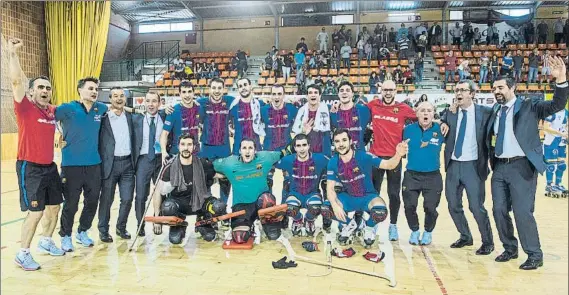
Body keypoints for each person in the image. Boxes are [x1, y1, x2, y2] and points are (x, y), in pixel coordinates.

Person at [487, 56, 567, 270]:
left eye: (501, 88)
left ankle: (534, 254)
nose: (497, 92)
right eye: (494, 88)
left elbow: (558, 104)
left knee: (523, 212)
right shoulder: (495, 111)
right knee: (499, 210)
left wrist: (560, 80)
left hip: (522, 167)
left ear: (512, 88)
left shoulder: (531, 106)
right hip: (499, 167)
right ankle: (510, 248)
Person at [7, 37, 65, 271]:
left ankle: (47, 240)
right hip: (29, 167)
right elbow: (15, 79)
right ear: (31, 92)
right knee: (35, 211)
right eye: (40, 87)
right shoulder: (24, 107)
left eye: (48, 88)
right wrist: (12, 53)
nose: (45, 90)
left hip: (49, 166)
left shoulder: (52, 111)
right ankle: (23, 253)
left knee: (54, 207)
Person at [324, 129, 408, 250]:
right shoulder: (333, 162)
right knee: (326, 209)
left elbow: (389, 165)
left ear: (350, 141)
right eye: (337, 141)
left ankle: (368, 227)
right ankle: (349, 224)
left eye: (344, 140)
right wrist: (335, 205)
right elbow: (330, 189)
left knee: (380, 212)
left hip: (367, 197)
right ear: (334, 144)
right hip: (348, 197)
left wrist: (398, 155)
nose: (341, 144)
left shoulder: (364, 156)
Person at [440, 80, 495, 255]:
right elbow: (441, 118)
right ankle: (465, 236)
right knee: (453, 204)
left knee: (476, 207)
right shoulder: (450, 113)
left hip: (474, 166)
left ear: (472, 93)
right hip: (453, 165)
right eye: (456, 90)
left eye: (463, 90)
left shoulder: (485, 112)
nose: (459, 93)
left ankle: (488, 241)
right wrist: (442, 121)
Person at [56, 76, 108, 251]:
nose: (94, 92)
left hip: (94, 165)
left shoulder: (100, 109)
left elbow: (119, 107)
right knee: (70, 203)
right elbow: (49, 117)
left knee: (92, 201)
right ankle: (65, 235)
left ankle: (82, 231)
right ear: (80, 90)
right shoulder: (67, 108)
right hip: (71, 165)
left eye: (96, 89)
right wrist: (58, 136)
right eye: (90, 88)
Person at [367, 80, 417, 241]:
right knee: (373, 192)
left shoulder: (404, 109)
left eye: (391, 90)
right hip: (375, 157)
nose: (388, 93)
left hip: (394, 157)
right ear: (381, 90)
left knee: (394, 194)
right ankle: (372, 223)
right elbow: (355, 113)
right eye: (385, 90)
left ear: (396, 91)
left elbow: (423, 117)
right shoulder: (373, 105)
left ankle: (393, 225)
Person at [213, 140, 287, 244]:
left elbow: (285, 152)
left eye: (250, 148)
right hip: (241, 206)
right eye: (244, 148)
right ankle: (250, 225)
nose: (247, 151)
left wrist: (304, 132)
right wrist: (220, 176)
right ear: (239, 151)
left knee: (267, 200)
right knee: (240, 238)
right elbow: (208, 166)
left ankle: (268, 223)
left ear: (255, 151)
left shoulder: (265, 158)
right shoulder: (229, 163)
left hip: (261, 204)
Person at [151, 134, 221, 244]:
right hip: (179, 203)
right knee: (168, 207)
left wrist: (240, 174)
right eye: (183, 144)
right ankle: (178, 226)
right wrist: (156, 219)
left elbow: (217, 175)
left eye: (189, 144)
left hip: (199, 202)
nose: (186, 148)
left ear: (194, 147)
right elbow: (157, 192)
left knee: (218, 207)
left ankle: (203, 223)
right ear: (178, 147)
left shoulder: (203, 164)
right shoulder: (169, 167)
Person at [97, 87, 136, 243]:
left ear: (125, 99)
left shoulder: (131, 117)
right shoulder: (103, 118)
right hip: (110, 165)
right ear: (110, 99)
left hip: (127, 164)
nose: (119, 99)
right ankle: (103, 230)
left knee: (127, 199)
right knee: (107, 200)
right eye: (115, 96)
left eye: (121, 96)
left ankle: (121, 227)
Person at [402, 101, 443, 245]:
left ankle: (428, 232)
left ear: (434, 113)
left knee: (430, 208)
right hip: (412, 175)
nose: (426, 113)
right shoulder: (407, 130)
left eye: (429, 110)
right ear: (417, 113)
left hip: (433, 176)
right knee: (409, 206)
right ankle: (414, 231)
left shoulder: (441, 129)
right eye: (422, 110)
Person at [275, 134, 329, 236]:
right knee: (290, 208)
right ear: (294, 148)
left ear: (309, 145)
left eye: (304, 145)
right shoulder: (288, 160)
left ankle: (309, 220)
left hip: (312, 194)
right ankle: (298, 220)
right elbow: (272, 162)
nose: (302, 149)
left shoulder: (320, 159)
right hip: (295, 194)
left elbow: (334, 164)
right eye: (298, 146)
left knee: (316, 207)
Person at [133, 92, 167, 237]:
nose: (151, 104)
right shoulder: (136, 119)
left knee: (162, 191)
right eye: (148, 101)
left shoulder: (165, 117)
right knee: (141, 195)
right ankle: (139, 224)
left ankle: (157, 218)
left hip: (161, 159)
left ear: (160, 103)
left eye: (154, 101)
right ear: (144, 103)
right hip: (144, 159)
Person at [196, 78, 234, 204]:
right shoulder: (200, 103)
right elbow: (184, 106)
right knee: (206, 180)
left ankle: (222, 209)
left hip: (224, 149)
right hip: (207, 149)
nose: (216, 91)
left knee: (226, 180)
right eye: (214, 88)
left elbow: (250, 101)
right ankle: (209, 209)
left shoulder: (230, 101)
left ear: (224, 89)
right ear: (209, 89)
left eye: (219, 88)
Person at [330, 82, 371, 151]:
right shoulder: (333, 113)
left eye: (347, 90)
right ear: (338, 94)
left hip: (359, 156)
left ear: (352, 94)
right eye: (341, 90)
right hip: (341, 157)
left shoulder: (363, 110)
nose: (344, 92)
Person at [292, 84, 332, 156]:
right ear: (307, 96)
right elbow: (295, 137)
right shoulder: (301, 112)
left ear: (320, 96)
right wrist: (303, 132)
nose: (313, 95)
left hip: (324, 153)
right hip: (305, 154)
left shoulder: (328, 110)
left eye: (315, 92)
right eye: (310, 93)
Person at [229, 78, 266, 154]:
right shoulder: (233, 106)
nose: (243, 88)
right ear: (238, 89)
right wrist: (231, 130)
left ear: (250, 86)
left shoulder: (260, 104)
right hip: (238, 148)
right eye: (240, 86)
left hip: (256, 147)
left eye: (245, 85)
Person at [542, 108, 568, 195]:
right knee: (552, 165)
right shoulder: (551, 111)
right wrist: (560, 133)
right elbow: (546, 127)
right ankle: (549, 185)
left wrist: (566, 134)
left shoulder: (566, 112)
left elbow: (566, 126)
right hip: (551, 140)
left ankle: (558, 184)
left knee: (562, 165)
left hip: (562, 140)